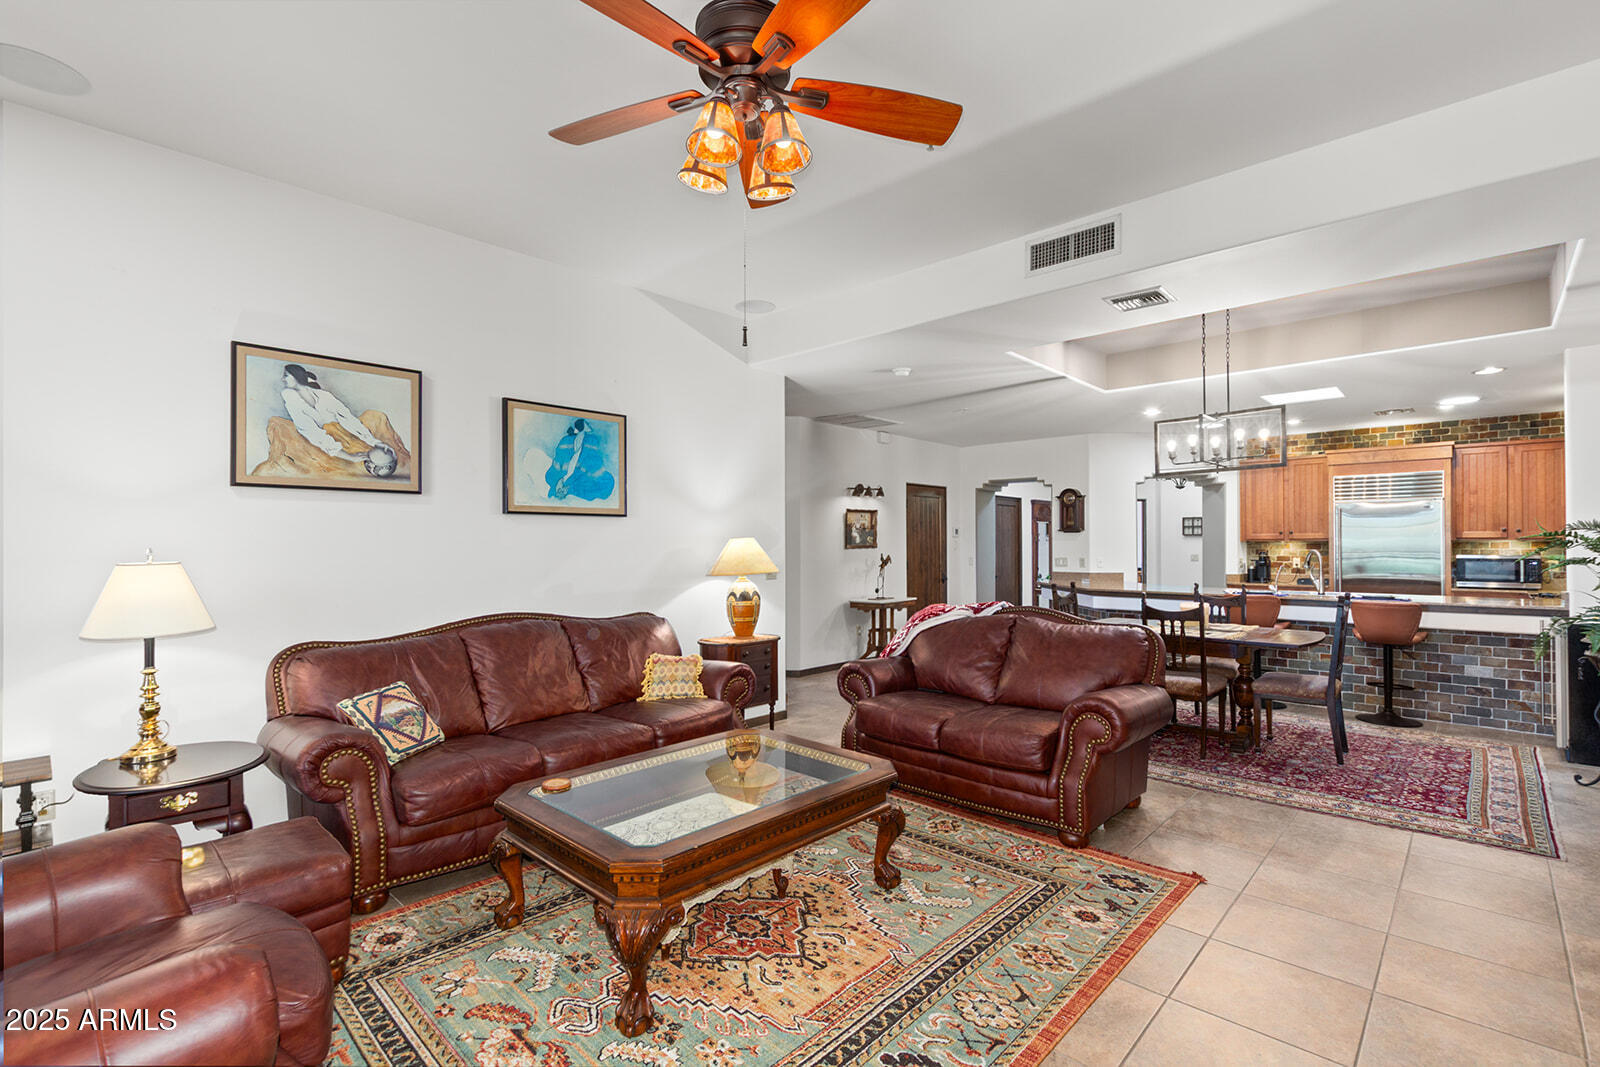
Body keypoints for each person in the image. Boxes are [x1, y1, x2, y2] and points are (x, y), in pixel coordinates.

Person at [281, 364, 397, 476]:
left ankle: (379, 461)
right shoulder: (291, 399)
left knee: (375, 416)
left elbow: (347, 419)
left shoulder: (325, 396)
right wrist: (348, 456)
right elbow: (310, 431)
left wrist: (374, 442)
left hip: (341, 434)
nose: (282, 379)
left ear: (296, 376)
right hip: (323, 442)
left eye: (286, 375)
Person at [544, 418, 615, 501]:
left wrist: (568, 487)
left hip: (577, 485)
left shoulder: (590, 441)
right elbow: (554, 469)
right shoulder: (567, 441)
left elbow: (594, 466)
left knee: (606, 483)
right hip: (565, 486)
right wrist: (558, 482)